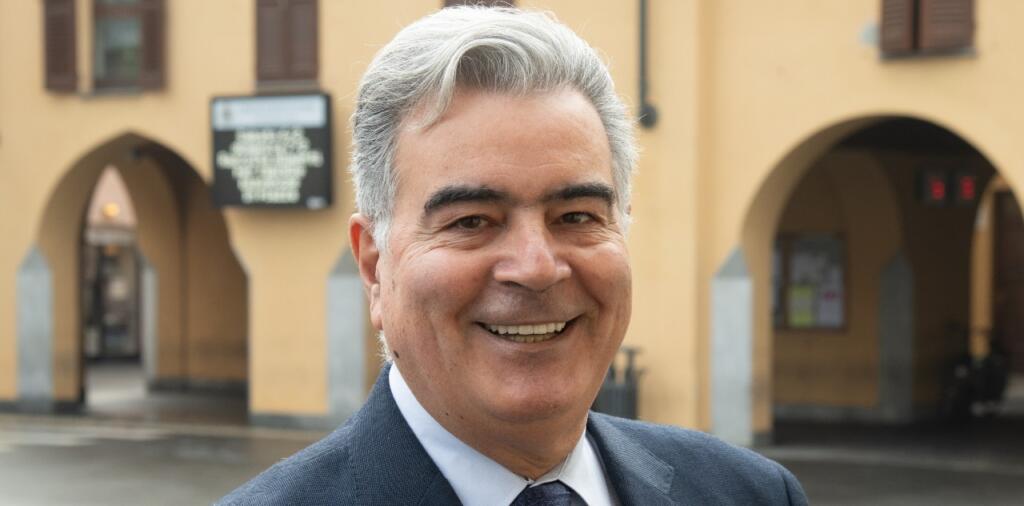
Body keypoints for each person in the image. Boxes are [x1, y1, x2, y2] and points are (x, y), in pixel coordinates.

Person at [220, 6, 807, 505]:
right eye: (471, 221)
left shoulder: (752, 494)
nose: (536, 267)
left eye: (576, 216)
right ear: (374, 266)